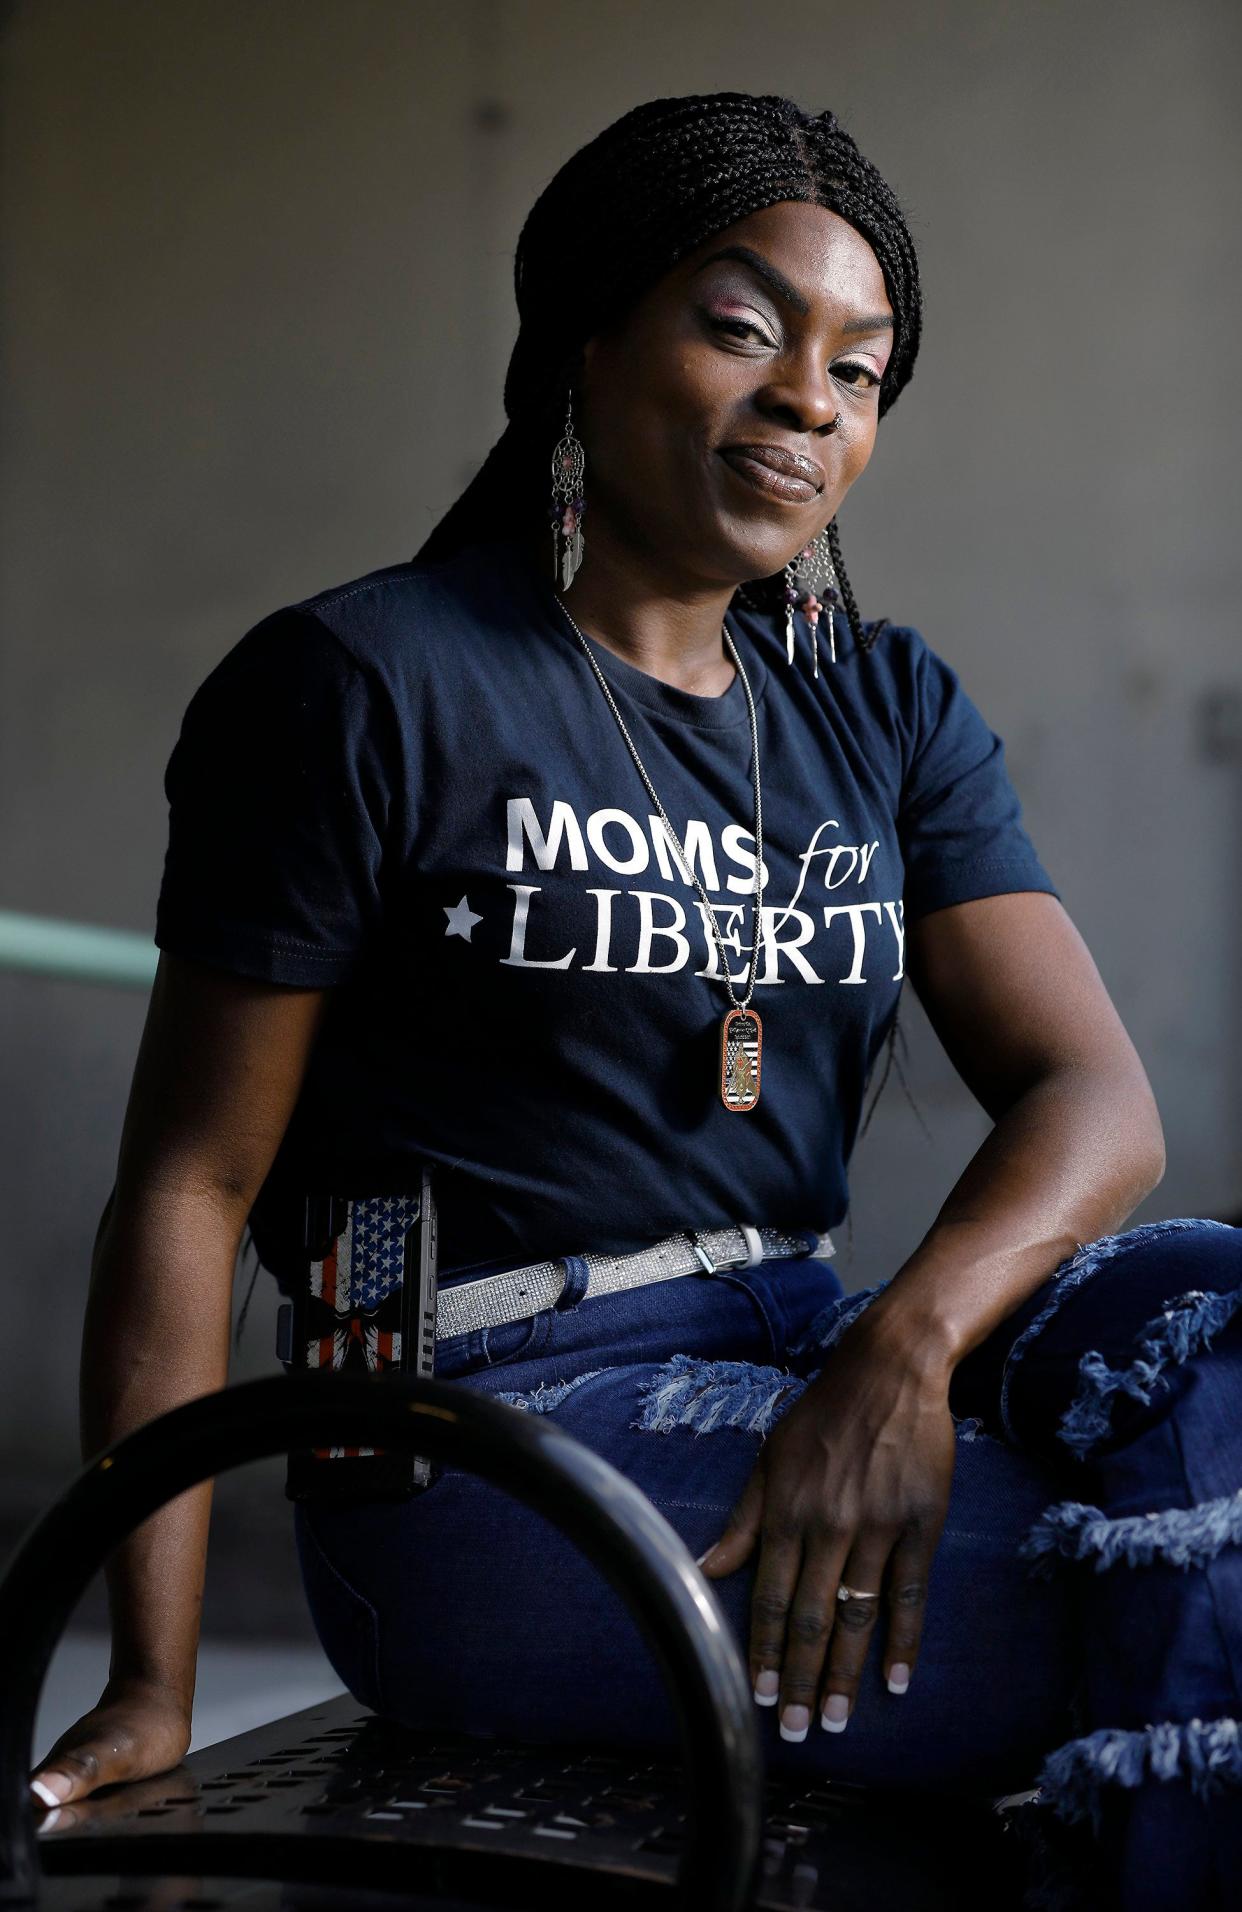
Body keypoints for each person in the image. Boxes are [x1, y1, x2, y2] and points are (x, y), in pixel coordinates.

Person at [30, 92, 1241, 1909]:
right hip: (490, 1438)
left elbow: (1095, 1103)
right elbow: (193, 1186)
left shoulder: (883, 706)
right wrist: (149, 1678)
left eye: (862, 366)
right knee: (1154, 1584)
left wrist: (897, 1358)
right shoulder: (366, 683)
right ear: (584, 340)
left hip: (803, 1351)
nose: (807, 400)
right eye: (743, 328)